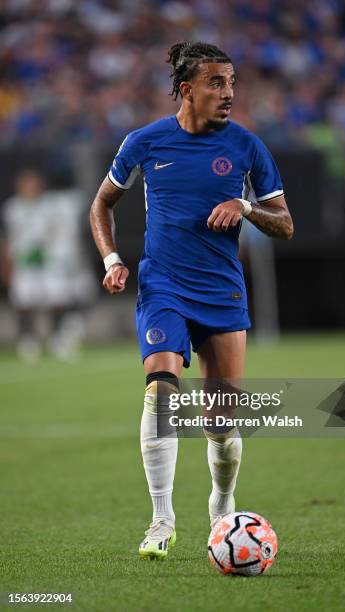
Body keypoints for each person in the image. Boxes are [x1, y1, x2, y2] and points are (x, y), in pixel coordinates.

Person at [89, 41, 293, 559]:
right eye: (216, 84)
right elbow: (101, 205)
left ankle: (222, 506)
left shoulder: (247, 147)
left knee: (220, 425)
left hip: (222, 292)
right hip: (164, 287)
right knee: (160, 392)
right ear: (186, 90)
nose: (228, 94)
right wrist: (113, 259)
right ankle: (161, 519)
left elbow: (286, 225)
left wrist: (244, 205)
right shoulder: (144, 142)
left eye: (231, 83)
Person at [0, 169, 95, 361]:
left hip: (48, 261)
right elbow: (7, 239)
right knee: (24, 302)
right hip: (24, 262)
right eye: (28, 184)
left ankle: (56, 336)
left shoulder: (49, 205)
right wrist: (6, 263)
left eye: (35, 183)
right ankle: (27, 339)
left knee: (56, 299)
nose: (32, 188)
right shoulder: (11, 208)